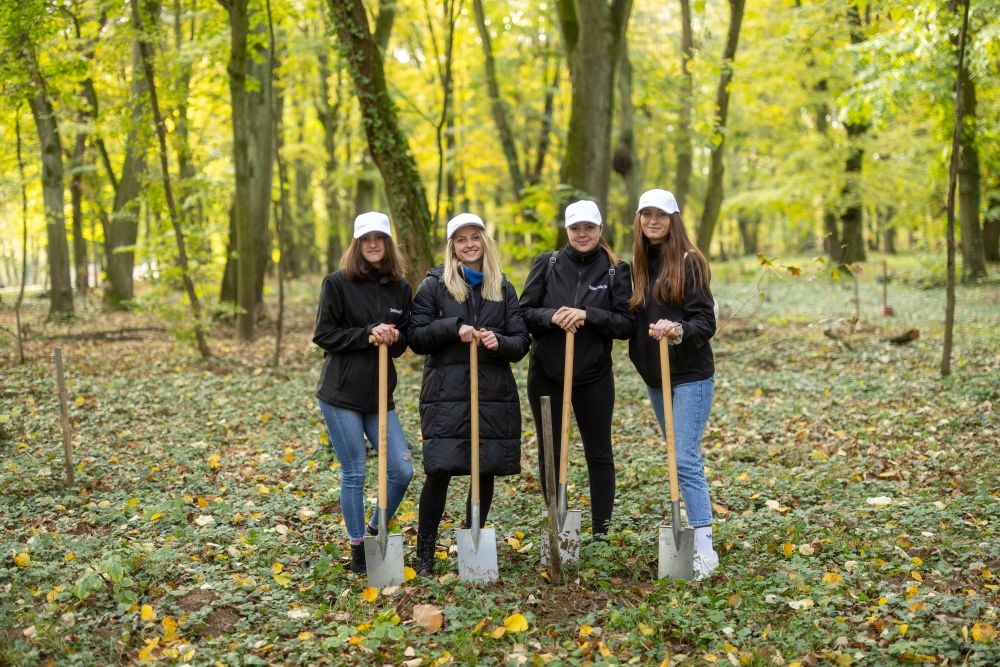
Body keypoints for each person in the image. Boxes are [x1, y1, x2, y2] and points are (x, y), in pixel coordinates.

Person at [407, 213, 530, 576]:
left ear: (484, 242)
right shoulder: (434, 286)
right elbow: (416, 336)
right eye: (461, 240)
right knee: (440, 468)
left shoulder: (502, 287)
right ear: (452, 247)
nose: (469, 244)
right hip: (446, 392)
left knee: (485, 467)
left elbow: (521, 340)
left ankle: (471, 539)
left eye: (475, 237)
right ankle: (425, 551)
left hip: (492, 391)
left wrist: (499, 341)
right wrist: (453, 327)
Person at [518, 200, 635, 537]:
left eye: (589, 227)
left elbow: (626, 324)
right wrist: (552, 316)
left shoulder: (616, 269)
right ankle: (558, 525)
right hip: (546, 375)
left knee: (599, 452)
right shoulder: (547, 263)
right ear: (567, 230)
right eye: (575, 228)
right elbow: (523, 313)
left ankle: (601, 533)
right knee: (550, 451)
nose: (582, 234)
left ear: (600, 229)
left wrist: (587, 314)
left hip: (594, 376)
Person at [313, 212, 414, 575]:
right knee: (355, 471)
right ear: (357, 244)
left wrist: (396, 337)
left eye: (380, 237)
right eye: (366, 238)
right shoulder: (336, 283)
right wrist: (367, 333)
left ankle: (374, 527)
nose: (373, 244)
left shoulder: (400, 287)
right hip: (340, 394)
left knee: (402, 470)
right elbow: (324, 335)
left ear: (388, 243)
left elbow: (403, 344)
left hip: (378, 396)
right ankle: (358, 548)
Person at [627, 189, 719, 579]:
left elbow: (706, 322)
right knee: (675, 459)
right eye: (646, 214)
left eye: (660, 215)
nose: (653, 221)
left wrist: (677, 329)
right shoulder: (638, 266)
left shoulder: (689, 261)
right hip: (656, 377)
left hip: (690, 376)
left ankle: (704, 547)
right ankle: (691, 541)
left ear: (673, 219)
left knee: (684, 458)